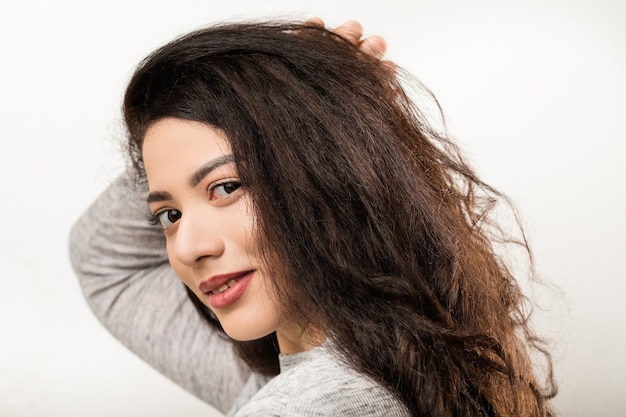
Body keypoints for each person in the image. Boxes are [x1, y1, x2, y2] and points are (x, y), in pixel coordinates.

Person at [69, 19, 556, 416]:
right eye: (169, 213)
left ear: (322, 176)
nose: (189, 246)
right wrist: (283, 95)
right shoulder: (429, 363)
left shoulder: (307, 405)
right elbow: (105, 261)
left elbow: (104, 263)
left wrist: (286, 104)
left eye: (226, 187)